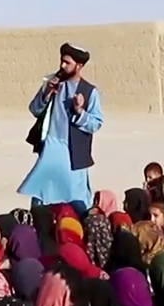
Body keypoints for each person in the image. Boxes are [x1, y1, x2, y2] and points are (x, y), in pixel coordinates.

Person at [19, 43, 104, 211]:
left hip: (73, 154)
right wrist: (47, 93)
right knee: (42, 198)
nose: (62, 66)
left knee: (76, 203)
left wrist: (80, 111)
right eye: (62, 61)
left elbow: (96, 123)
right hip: (50, 147)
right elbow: (34, 109)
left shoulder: (89, 91)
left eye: (67, 63)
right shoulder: (53, 83)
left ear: (79, 66)